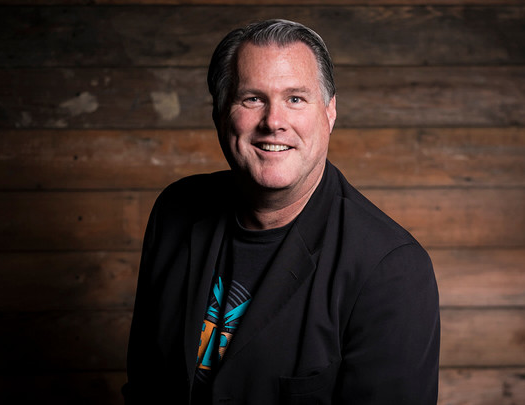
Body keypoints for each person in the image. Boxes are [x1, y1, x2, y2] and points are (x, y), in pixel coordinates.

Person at [123, 19, 440, 405]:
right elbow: (144, 384)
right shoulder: (175, 212)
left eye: (295, 98)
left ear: (329, 113)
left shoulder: (391, 269)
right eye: (252, 98)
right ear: (221, 113)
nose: (274, 122)